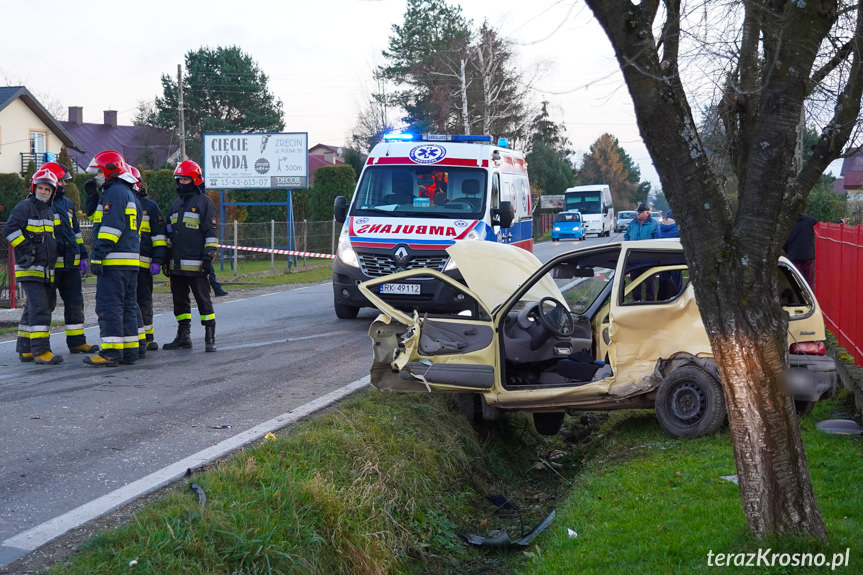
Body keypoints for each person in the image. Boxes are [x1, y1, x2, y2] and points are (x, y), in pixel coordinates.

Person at [83, 150, 142, 367]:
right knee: (126, 307)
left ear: (109, 170)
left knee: (109, 307)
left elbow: (110, 228)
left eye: (98, 171)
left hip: (114, 261)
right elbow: (100, 218)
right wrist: (92, 197)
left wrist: (98, 255)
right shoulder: (125, 192)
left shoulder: (115, 193)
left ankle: (110, 352)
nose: (96, 175)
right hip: (129, 262)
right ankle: (129, 351)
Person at [4, 168, 63, 364]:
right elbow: (10, 229)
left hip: (45, 270)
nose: (43, 191)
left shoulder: (48, 211)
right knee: (40, 308)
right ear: (34, 187)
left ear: (52, 192)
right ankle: (41, 351)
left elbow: (49, 240)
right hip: (29, 268)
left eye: (47, 189)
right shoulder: (25, 207)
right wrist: (26, 247)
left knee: (32, 308)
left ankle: (25, 348)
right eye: (41, 187)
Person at [43, 162, 99, 355]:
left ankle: (77, 342)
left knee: (75, 303)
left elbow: (75, 231)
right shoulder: (40, 203)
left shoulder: (67, 204)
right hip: (49, 267)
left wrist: (82, 254)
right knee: (43, 307)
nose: (64, 185)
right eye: (61, 181)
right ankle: (32, 347)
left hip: (71, 266)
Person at [163, 160, 219, 352]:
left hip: (197, 265)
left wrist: (208, 258)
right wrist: (165, 259)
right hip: (176, 265)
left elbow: (211, 233)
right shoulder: (175, 204)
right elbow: (169, 234)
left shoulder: (204, 202)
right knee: (179, 302)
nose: (181, 183)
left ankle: (209, 336)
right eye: (179, 179)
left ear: (195, 180)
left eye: (185, 179)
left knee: (204, 301)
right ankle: (183, 336)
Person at [129, 166, 167, 351]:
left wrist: (158, 260)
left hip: (144, 265)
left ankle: (148, 337)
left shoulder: (150, 207)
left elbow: (159, 236)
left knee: (144, 299)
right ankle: (133, 337)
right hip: (125, 264)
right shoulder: (120, 202)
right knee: (129, 301)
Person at [624, 203, 659, 301]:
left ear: (647, 213)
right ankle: (636, 301)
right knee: (635, 282)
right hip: (634, 258)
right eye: (637, 212)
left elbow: (657, 239)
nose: (638, 214)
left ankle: (650, 302)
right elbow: (626, 236)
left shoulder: (655, 224)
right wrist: (627, 245)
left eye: (640, 212)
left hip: (649, 259)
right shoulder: (632, 223)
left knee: (650, 283)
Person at [783, 212, 818, 288]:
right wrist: (839, 222)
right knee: (809, 282)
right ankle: (810, 298)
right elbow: (823, 227)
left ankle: (798, 298)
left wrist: (787, 251)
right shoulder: (811, 220)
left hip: (794, 257)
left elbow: (783, 240)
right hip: (808, 256)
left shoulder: (788, 224)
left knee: (795, 282)